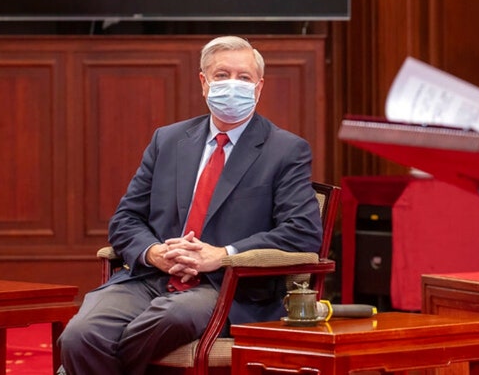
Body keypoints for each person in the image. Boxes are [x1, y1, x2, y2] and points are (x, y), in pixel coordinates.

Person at [58, 36, 323, 375]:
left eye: (243, 78)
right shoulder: (167, 140)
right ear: (203, 82)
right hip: (152, 277)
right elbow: (125, 219)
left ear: (259, 87)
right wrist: (154, 253)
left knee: (170, 318)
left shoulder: (285, 150)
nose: (232, 85)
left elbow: (302, 232)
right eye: (221, 75)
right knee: (80, 336)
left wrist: (222, 254)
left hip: (227, 287)